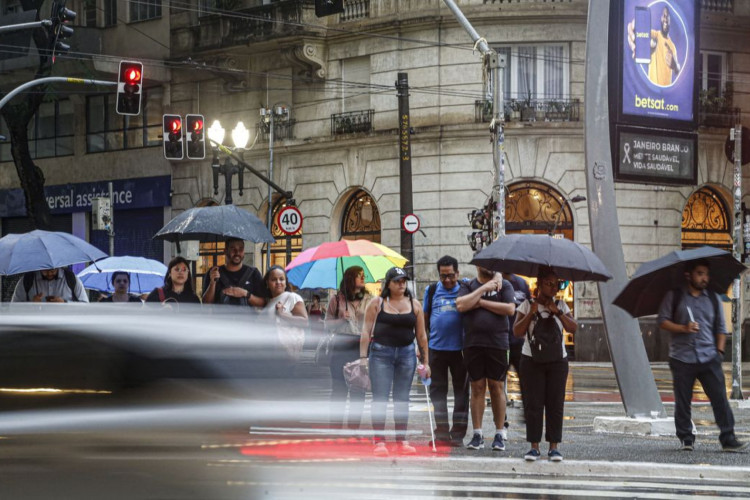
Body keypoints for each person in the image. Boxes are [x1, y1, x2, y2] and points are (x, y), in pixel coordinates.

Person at [658, 259, 747, 453]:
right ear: (689, 275)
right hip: (682, 358)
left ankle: (728, 438)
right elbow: (663, 321)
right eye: (700, 273)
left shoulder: (713, 298)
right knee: (683, 402)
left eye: (706, 274)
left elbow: (721, 329)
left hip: (709, 357)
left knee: (720, 399)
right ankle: (686, 438)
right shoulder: (675, 296)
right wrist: (683, 328)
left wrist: (719, 353)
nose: (704, 278)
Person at [360, 267, 429, 457]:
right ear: (388, 284)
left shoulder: (415, 304)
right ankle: (379, 440)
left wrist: (426, 362)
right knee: (380, 398)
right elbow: (366, 332)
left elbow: (422, 335)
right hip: (381, 354)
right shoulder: (377, 303)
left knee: (402, 399)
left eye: (403, 280)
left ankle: (401, 440)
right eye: (397, 281)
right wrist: (363, 357)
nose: (401, 284)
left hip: (407, 354)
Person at [513, 267, 576, 462]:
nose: (553, 288)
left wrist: (558, 312)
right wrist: (531, 313)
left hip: (558, 361)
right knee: (534, 404)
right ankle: (534, 447)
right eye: (549, 284)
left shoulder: (561, 305)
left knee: (555, 404)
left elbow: (573, 327)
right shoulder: (526, 305)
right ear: (539, 284)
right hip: (531, 360)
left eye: (556, 284)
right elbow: (517, 331)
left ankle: (554, 447)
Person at [456, 266, 515, 452]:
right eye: (485, 262)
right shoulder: (468, 285)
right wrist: (483, 289)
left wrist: (480, 302)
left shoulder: (504, 285)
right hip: (473, 343)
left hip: (498, 343)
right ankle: (478, 434)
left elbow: (509, 309)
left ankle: (499, 434)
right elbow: (461, 305)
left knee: (497, 387)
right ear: (478, 265)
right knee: (477, 387)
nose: (489, 266)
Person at [423, 255, 469, 447]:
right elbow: (424, 319)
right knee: (437, 393)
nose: (448, 280)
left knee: (461, 393)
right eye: (443, 276)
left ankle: (457, 434)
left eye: (451, 275)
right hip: (436, 349)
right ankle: (441, 432)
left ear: (457, 273)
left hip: (461, 351)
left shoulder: (466, 287)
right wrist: (422, 347)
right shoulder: (432, 290)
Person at [325, 266, 371, 429]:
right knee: (339, 390)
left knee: (359, 390)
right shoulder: (337, 300)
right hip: (341, 347)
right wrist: (340, 320)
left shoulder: (370, 299)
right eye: (359, 275)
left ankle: (354, 429)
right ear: (350, 278)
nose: (363, 278)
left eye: (363, 275)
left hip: (361, 347)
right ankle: (335, 427)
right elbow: (327, 325)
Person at [202, 238, 265, 307]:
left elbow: (262, 303)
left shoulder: (253, 273)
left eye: (240, 249)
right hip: (221, 317)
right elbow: (206, 304)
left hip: (247, 317)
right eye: (233, 249)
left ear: (244, 251)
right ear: (225, 251)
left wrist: (245, 294)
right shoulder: (214, 272)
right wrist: (212, 283)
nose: (237, 252)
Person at [262, 266, 308, 360]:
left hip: (285, 356)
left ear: (286, 282)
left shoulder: (292, 297)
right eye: (274, 279)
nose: (278, 282)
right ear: (267, 283)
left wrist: (282, 315)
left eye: (281, 279)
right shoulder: (269, 302)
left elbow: (305, 322)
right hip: (269, 354)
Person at [627, 6, 681, 86]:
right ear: (661, 18)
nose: (665, 19)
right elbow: (639, 30)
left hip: (665, 95)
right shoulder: (655, 35)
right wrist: (632, 28)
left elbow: (678, 70)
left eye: (668, 17)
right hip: (651, 92)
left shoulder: (672, 46)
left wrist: (675, 65)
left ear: (670, 21)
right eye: (664, 16)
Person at [12, 268, 89, 303]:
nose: (49, 274)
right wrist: (31, 305)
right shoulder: (27, 280)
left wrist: (65, 303)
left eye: (53, 270)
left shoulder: (71, 278)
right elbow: (13, 308)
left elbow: (85, 305)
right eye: (45, 270)